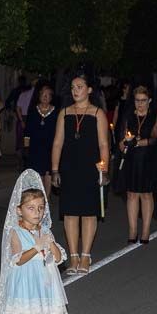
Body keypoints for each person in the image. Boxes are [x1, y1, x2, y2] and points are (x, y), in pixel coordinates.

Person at [0, 172, 68, 314]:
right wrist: (36, 247)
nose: (37, 213)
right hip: (24, 284)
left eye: (40, 208)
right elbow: (18, 259)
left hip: (44, 284)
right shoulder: (15, 232)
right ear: (19, 210)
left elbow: (59, 257)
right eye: (31, 208)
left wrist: (49, 242)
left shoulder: (45, 231)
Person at [50, 72, 110, 275]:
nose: (75, 91)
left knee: (88, 212)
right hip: (69, 168)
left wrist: (104, 170)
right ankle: (73, 256)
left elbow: (103, 144)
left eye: (80, 87)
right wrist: (55, 169)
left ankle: (85, 255)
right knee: (70, 212)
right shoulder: (64, 113)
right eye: (73, 88)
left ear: (89, 90)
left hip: (90, 168)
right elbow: (58, 143)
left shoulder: (97, 114)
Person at [114, 86, 157, 244]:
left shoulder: (155, 116)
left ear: (149, 101)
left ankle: (145, 230)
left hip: (148, 160)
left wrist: (137, 142)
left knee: (146, 194)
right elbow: (121, 143)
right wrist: (125, 142)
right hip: (131, 160)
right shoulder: (128, 116)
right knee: (131, 194)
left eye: (143, 100)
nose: (140, 103)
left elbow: (154, 138)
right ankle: (132, 229)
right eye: (137, 100)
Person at [24, 82, 59, 195]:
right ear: (39, 96)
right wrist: (26, 148)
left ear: (51, 97)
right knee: (38, 174)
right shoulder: (33, 111)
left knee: (48, 173)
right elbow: (27, 132)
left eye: (48, 95)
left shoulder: (56, 112)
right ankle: (39, 197)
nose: (45, 97)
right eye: (43, 94)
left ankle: (47, 198)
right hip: (35, 147)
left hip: (50, 147)